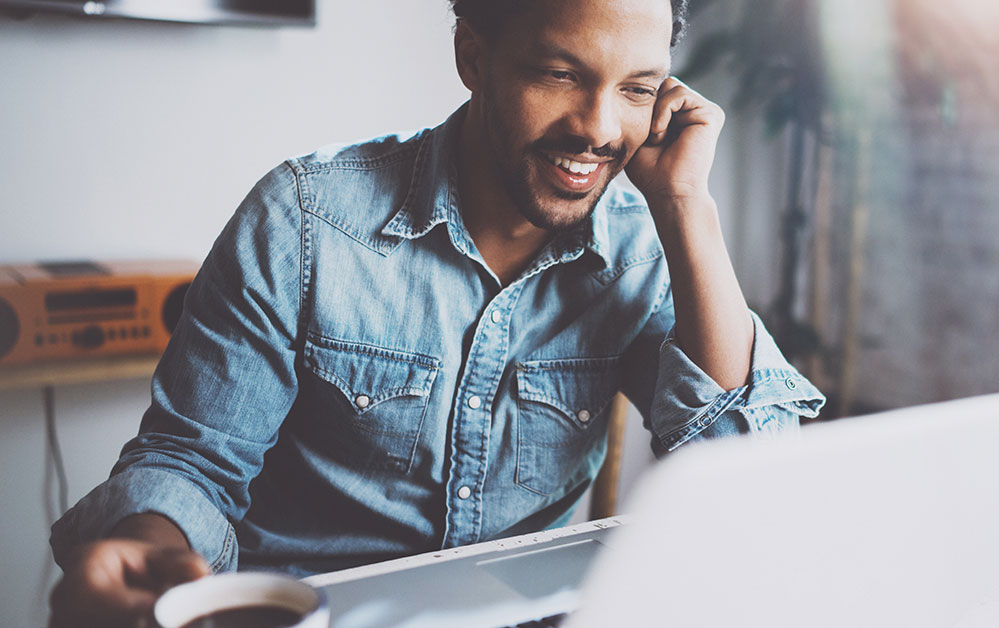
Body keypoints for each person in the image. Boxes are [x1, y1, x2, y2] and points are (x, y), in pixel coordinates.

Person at [48, 0, 824, 625]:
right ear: (473, 58)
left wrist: (687, 205)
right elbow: (193, 463)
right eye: (560, 73)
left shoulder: (642, 243)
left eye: (637, 88)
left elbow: (740, 475)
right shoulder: (306, 220)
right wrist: (150, 550)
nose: (597, 127)